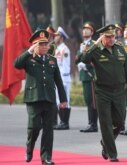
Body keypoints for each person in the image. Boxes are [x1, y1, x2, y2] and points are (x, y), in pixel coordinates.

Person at [80, 24, 127, 161]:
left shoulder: (120, 49)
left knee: (120, 122)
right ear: (102, 37)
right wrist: (96, 43)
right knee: (106, 123)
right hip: (102, 91)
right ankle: (112, 154)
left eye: (113, 36)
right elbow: (84, 59)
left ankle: (105, 143)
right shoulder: (96, 50)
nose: (111, 39)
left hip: (119, 91)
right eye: (108, 37)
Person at [14, 29, 67, 165]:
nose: (44, 47)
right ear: (35, 46)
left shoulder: (52, 60)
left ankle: (46, 157)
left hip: (49, 98)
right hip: (34, 99)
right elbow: (16, 64)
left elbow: (58, 81)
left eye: (46, 44)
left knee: (49, 130)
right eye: (41, 44)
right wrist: (29, 51)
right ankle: (29, 147)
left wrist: (63, 99)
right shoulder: (28, 59)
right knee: (34, 127)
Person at [76, 22, 98, 133]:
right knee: (88, 99)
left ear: (92, 32)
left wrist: (86, 64)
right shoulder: (82, 45)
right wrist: (81, 52)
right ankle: (90, 122)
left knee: (93, 100)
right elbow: (76, 59)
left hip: (91, 76)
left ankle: (93, 124)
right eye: (84, 29)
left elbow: (96, 60)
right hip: (84, 76)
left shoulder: (94, 44)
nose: (85, 31)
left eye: (88, 29)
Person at [53, 26, 72, 130]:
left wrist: (62, 79)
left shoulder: (65, 50)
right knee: (58, 100)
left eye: (57, 35)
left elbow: (65, 67)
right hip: (59, 79)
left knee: (65, 99)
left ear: (61, 37)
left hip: (64, 79)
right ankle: (62, 121)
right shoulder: (58, 49)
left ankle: (65, 122)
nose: (55, 37)